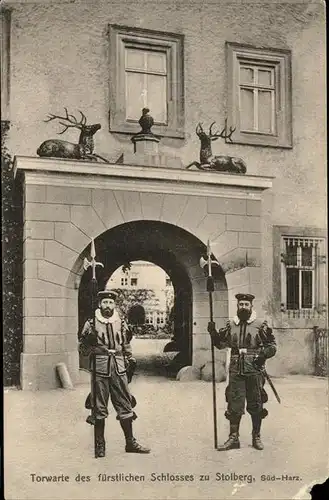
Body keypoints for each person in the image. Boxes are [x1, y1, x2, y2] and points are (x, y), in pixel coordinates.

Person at [79, 290, 150, 457]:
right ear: (99, 304)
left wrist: (130, 360)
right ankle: (100, 445)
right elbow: (82, 351)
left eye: (110, 303)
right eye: (104, 302)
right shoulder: (90, 323)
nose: (108, 306)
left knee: (125, 404)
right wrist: (88, 342)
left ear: (114, 305)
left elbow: (125, 345)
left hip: (118, 368)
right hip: (100, 368)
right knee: (99, 406)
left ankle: (130, 442)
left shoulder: (121, 322)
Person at [208, 293, 276, 451]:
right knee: (234, 403)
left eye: (246, 304)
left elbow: (272, 346)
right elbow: (220, 344)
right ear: (237, 306)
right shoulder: (231, 324)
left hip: (254, 369)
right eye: (241, 304)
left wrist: (262, 356)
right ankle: (233, 438)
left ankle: (256, 437)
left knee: (256, 402)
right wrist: (213, 334)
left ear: (251, 306)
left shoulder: (261, 324)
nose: (243, 307)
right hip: (236, 369)